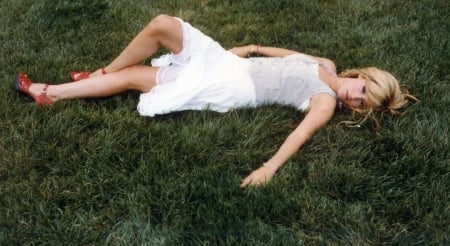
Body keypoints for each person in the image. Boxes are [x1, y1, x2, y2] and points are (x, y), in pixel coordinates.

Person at [15, 14, 416, 187]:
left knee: (137, 78)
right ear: (362, 76)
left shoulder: (325, 101)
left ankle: (48, 93)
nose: (354, 96)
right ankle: (99, 73)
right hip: (229, 65)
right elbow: (282, 56)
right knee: (162, 26)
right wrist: (249, 47)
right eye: (362, 89)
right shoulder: (325, 63)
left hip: (234, 89)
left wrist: (269, 168)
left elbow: (299, 135)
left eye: (361, 104)